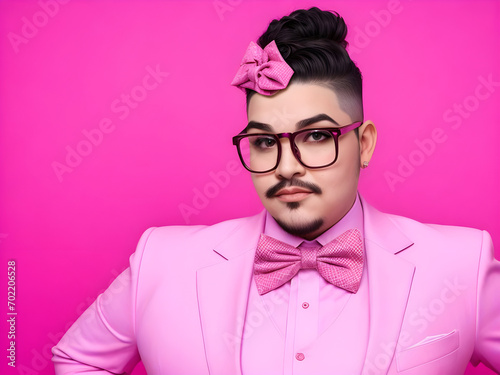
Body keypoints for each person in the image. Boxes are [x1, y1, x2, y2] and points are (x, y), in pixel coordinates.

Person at [52, 7, 500, 375]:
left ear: (363, 144)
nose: (286, 168)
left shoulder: (461, 264)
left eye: (316, 136)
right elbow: (75, 359)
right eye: (266, 142)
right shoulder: (161, 261)